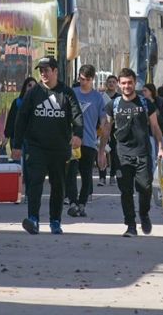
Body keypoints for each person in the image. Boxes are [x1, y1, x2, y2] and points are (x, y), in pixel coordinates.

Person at [13, 56, 83, 234]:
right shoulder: (33, 93)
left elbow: (77, 115)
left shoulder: (66, 93)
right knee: (35, 182)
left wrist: (77, 134)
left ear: (55, 71)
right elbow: (21, 119)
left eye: (46, 70)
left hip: (59, 148)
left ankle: (55, 221)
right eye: (41, 70)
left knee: (58, 186)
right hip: (37, 147)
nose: (43, 74)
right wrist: (17, 145)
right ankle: (33, 219)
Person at [100, 68, 163, 237]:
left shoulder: (145, 103)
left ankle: (143, 214)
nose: (127, 86)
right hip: (122, 155)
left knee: (145, 188)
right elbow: (106, 129)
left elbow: (155, 127)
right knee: (126, 191)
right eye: (123, 83)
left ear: (135, 82)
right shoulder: (112, 105)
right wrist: (101, 152)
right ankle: (130, 225)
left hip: (143, 153)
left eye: (130, 83)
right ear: (119, 85)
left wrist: (160, 147)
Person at [66, 64, 107, 218]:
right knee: (71, 173)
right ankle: (73, 202)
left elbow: (103, 119)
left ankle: (82, 203)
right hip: (73, 141)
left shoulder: (98, 97)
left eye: (87, 79)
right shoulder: (72, 93)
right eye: (81, 79)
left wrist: (101, 131)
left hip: (89, 141)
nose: (83, 82)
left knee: (86, 175)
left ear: (92, 79)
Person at [99, 74, 120, 186]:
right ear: (106, 84)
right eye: (109, 82)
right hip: (103, 127)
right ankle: (102, 177)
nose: (111, 84)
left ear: (116, 84)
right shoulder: (101, 97)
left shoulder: (119, 97)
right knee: (102, 150)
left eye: (113, 82)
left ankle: (112, 176)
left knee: (114, 153)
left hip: (115, 128)